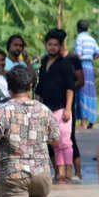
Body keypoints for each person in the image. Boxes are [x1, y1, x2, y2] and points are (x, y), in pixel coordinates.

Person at [0, 66, 60, 197]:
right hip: (41, 174)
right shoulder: (44, 110)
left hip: (14, 175)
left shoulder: (1, 111)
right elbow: (56, 140)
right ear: (30, 87)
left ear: (9, 88)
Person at [36, 29, 75, 183]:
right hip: (46, 109)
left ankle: (69, 172)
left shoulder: (65, 64)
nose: (52, 47)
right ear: (46, 45)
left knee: (66, 142)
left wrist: (68, 109)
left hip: (61, 108)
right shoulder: (44, 62)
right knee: (55, 142)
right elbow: (40, 87)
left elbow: (70, 88)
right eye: (49, 44)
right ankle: (60, 172)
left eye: (55, 45)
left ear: (60, 47)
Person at [59, 29, 84, 182]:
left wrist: (68, 88)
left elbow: (81, 81)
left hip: (68, 104)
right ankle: (61, 173)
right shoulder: (48, 60)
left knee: (70, 139)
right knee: (55, 141)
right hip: (52, 104)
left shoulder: (73, 59)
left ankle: (78, 172)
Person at [73, 20, 99, 129]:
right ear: (87, 28)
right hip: (90, 66)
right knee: (90, 93)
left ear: (78, 28)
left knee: (82, 93)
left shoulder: (79, 38)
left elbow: (78, 55)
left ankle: (83, 122)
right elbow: (98, 53)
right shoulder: (91, 39)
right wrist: (91, 58)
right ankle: (91, 120)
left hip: (82, 66)